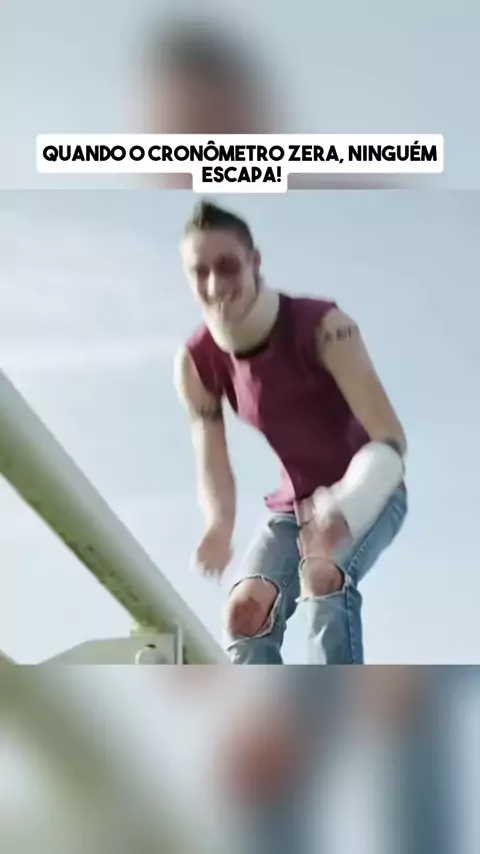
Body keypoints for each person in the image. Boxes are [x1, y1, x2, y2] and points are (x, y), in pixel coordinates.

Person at [174, 199, 408, 665]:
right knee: (244, 613)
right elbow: (212, 461)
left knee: (323, 573)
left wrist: (343, 508)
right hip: (293, 506)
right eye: (200, 272)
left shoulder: (326, 327)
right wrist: (219, 524)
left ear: (255, 262)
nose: (215, 286)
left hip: (370, 489)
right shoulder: (196, 363)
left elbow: (390, 443)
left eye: (228, 266)